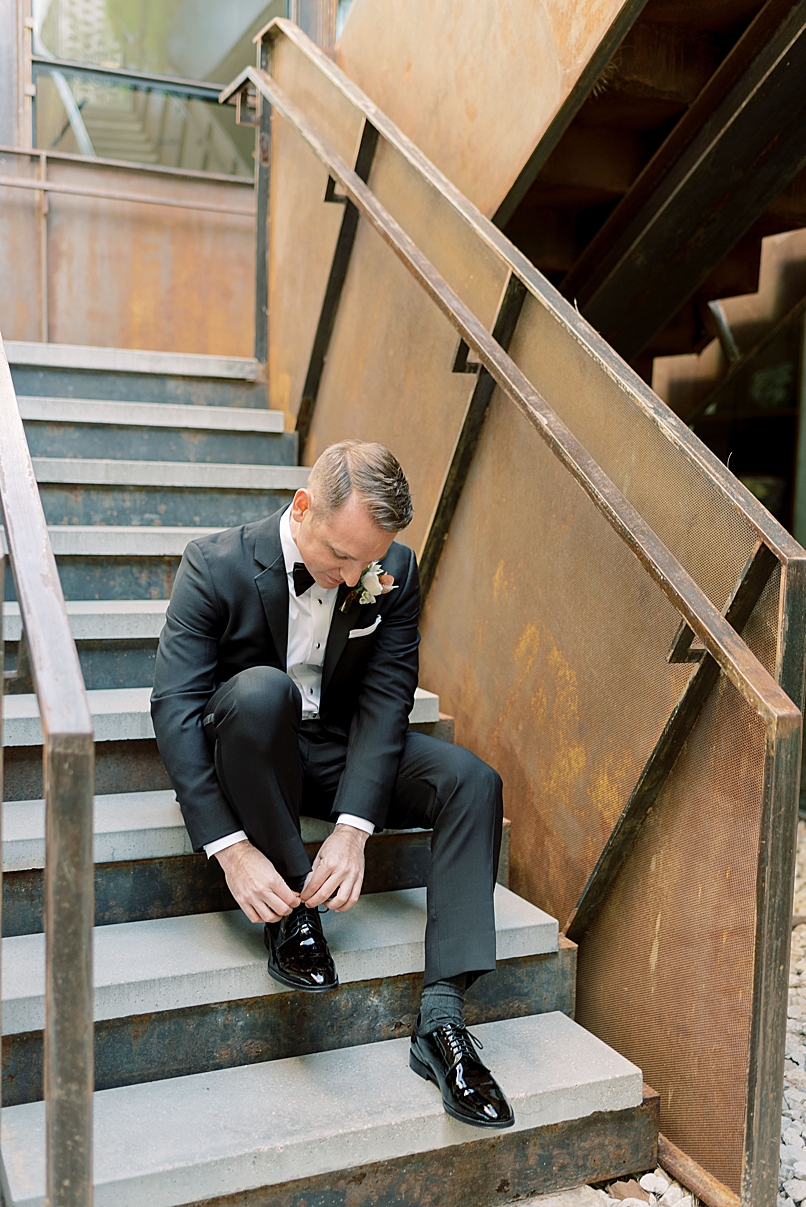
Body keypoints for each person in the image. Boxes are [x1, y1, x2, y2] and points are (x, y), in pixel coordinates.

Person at [151, 439, 513, 1129]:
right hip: (257, 752)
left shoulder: (390, 569)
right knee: (260, 692)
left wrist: (353, 828)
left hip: (340, 754)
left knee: (472, 779)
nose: (353, 577)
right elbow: (174, 709)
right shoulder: (214, 561)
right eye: (341, 556)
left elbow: (386, 699)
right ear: (302, 506)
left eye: (367, 561)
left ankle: (441, 1022)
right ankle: (294, 913)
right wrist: (231, 849)